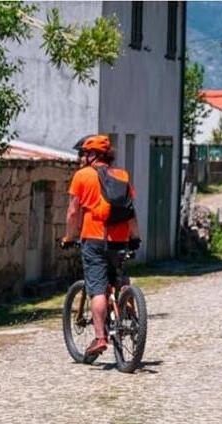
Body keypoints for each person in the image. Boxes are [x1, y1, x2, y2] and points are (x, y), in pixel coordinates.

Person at [60, 134, 141, 357]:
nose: (81, 158)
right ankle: (131, 314)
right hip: (120, 239)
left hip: (94, 240)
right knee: (120, 277)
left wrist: (69, 237)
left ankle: (100, 338)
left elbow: (73, 212)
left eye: (83, 154)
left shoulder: (82, 176)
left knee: (97, 288)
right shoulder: (122, 176)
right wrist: (135, 237)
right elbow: (130, 211)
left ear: (92, 155)